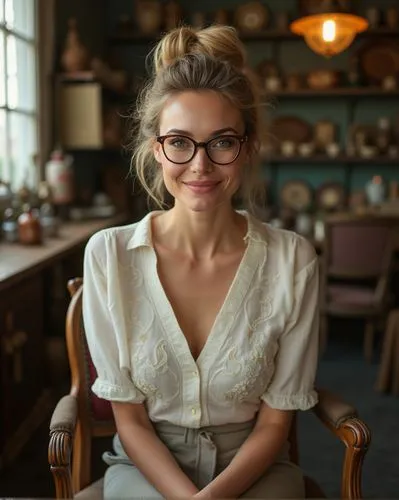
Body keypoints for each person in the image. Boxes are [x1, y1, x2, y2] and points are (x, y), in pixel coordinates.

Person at [83, 24, 319, 499]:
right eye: (179, 141)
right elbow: (128, 418)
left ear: (247, 147)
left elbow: (275, 423)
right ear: (157, 148)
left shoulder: (293, 260)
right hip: (146, 466)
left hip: (254, 467)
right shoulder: (108, 255)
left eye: (222, 141)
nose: (200, 165)